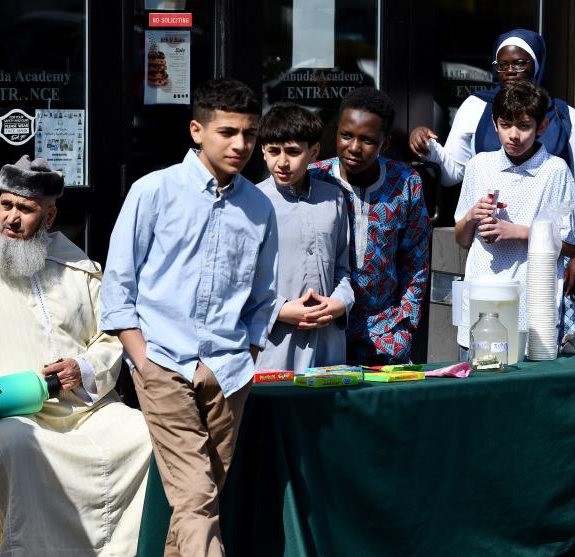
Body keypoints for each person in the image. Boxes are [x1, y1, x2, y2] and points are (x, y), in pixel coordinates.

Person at [0, 155, 151, 555]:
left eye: (26, 209)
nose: (12, 219)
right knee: (17, 445)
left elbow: (109, 339)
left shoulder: (80, 269)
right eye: (6, 205)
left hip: (83, 411)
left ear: (49, 218)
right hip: (7, 413)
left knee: (145, 436)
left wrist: (81, 367)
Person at [100, 78, 277, 556]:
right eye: (228, 132)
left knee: (196, 504)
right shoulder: (152, 191)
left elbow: (264, 297)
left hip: (229, 371)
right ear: (197, 130)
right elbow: (118, 287)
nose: (241, 144)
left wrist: (248, 354)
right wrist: (142, 361)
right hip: (162, 361)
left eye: (250, 133)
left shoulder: (260, 207)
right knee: (197, 496)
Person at [408, 28, 575, 334]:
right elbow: (456, 170)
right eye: (503, 65)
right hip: (491, 270)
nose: (510, 72)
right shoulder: (477, 107)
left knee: (545, 343)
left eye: (519, 63)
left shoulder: (563, 116)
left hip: (543, 267)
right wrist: (430, 150)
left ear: (536, 65)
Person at [453, 80, 575, 355]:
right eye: (505, 124)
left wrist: (520, 232)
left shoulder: (554, 171)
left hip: (532, 313)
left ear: (541, 127)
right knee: (476, 388)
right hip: (480, 304)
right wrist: (472, 216)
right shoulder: (479, 166)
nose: (514, 135)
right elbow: (462, 239)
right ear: (493, 123)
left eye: (524, 126)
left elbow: (571, 244)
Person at [309, 87, 431, 365]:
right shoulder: (316, 179)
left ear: (384, 144)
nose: (353, 147)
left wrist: (406, 322)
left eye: (366, 140)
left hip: (386, 331)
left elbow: (416, 260)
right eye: (346, 135)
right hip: (325, 328)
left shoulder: (406, 183)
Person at [254, 102, 353, 371]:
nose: (282, 162)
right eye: (273, 151)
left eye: (293, 152)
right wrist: (281, 311)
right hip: (274, 345)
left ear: (314, 153)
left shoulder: (333, 197)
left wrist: (340, 303)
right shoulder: (252, 203)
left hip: (328, 344)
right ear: (263, 151)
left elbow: (343, 269)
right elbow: (240, 284)